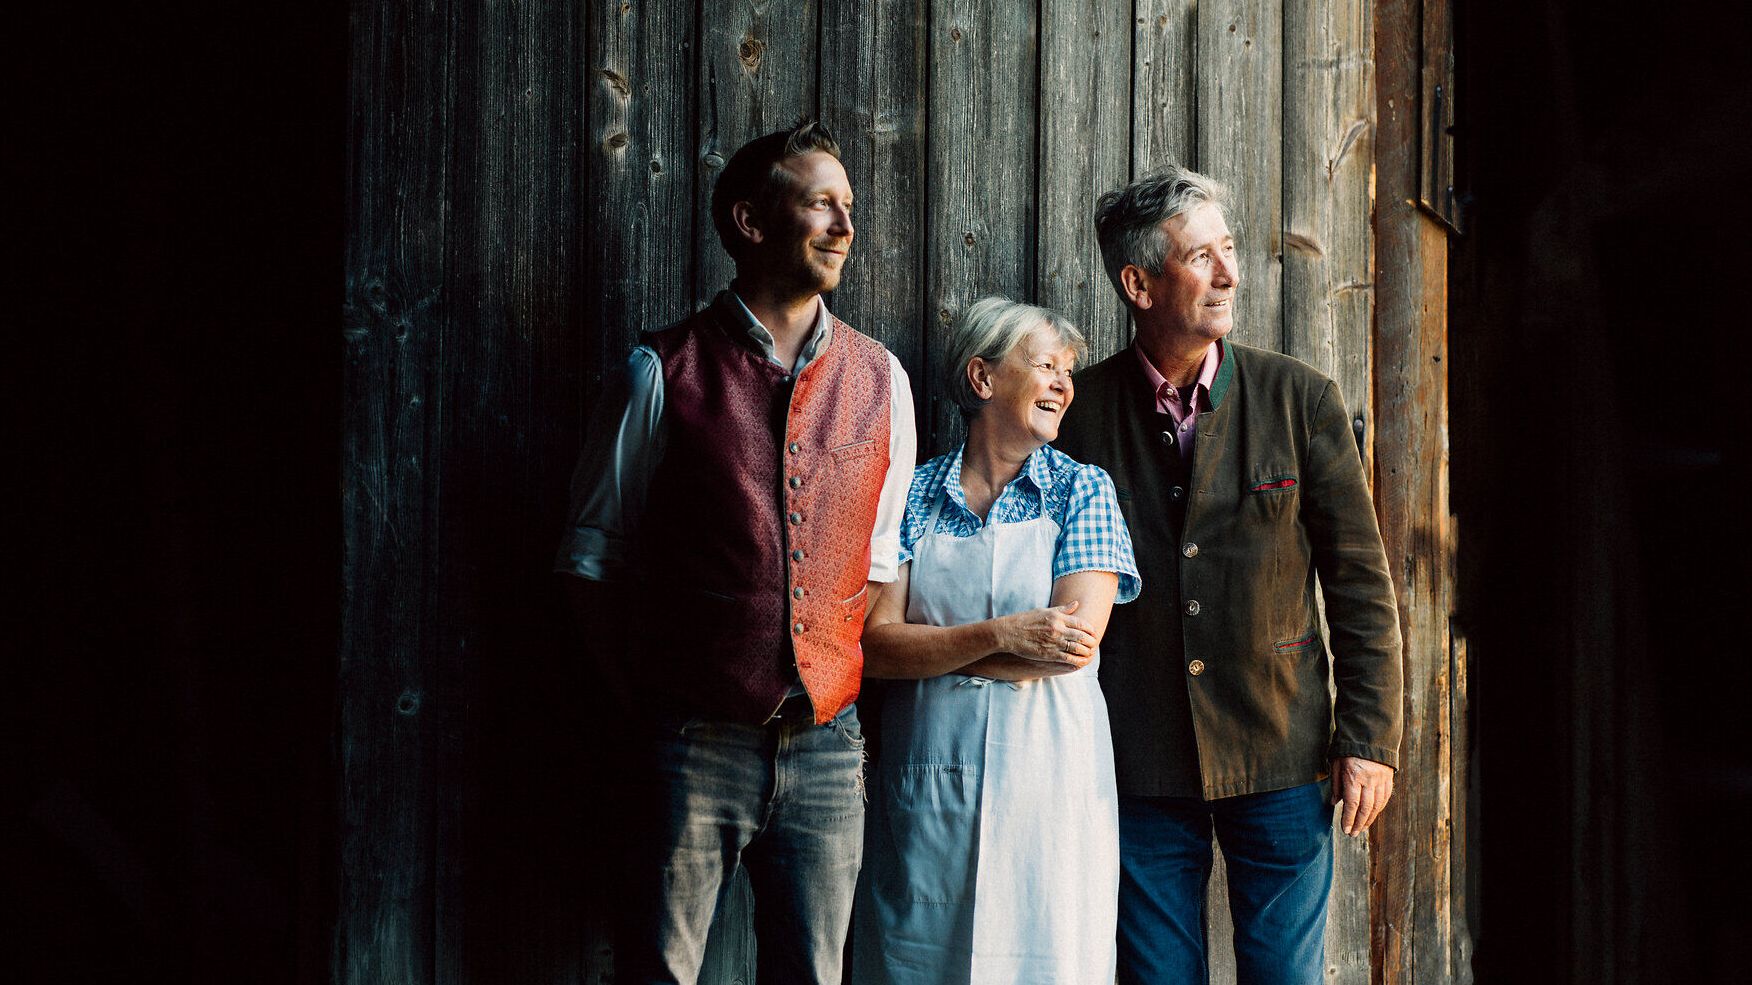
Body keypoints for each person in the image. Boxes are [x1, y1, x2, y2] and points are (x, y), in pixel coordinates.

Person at [553, 120, 917, 985]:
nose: (845, 225)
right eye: (821, 203)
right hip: (690, 738)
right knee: (659, 971)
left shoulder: (883, 380)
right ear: (751, 221)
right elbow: (591, 561)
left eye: (849, 205)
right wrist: (656, 700)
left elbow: (877, 565)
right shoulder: (659, 371)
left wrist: (822, 675)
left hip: (828, 744)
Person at [1052, 166, 1403, 985]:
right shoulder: (1079, 414)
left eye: (1230, 249)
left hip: (1281, 747)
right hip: (1137, 758)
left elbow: (1359, 583)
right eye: (1201, 257)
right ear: (1139, 284)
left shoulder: (1301, 400)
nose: (1229, 275)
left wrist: (1369, 740)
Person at [852, 297, 1141, 985]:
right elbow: (877, 647)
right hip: (929, 783)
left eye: (1068, 371)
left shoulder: (1082, 491)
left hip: (1050, 785)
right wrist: (1005, 634)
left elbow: (1070, 647)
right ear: (982, 378)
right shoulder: (914, 494)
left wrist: (935, 650)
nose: (1063, 384)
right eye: (1046, 365)